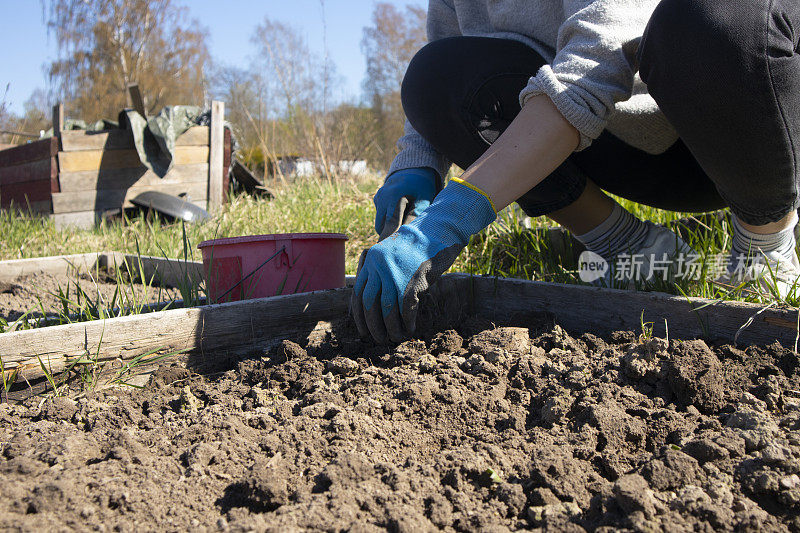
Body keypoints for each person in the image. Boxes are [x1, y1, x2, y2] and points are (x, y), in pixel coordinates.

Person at [352, 0, 800, 344]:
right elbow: (446, 53)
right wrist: (414, 165)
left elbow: (598, 59)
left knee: (713, 23)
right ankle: (631, 249)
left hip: (739, 126)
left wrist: (450, 219)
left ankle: (763, 242)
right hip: (611, 141)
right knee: (436, 73)